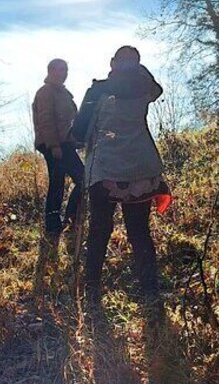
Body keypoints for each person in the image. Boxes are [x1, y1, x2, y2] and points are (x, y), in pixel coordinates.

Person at [71, 46, 171, 322]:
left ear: (112, 63)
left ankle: (91, 295)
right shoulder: (144, 88)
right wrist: (136, 70)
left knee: (100, 231)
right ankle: (151, 294)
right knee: (139, 232)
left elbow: (78, 133)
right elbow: (156, 88)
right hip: (141, 169)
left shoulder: (98, 90)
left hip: (105, 169)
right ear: (138, 65)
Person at [32, 58, 84, 287]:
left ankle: (65, 219)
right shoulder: (45, 92)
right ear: (50, 71)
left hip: (65, 143)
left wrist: (77, 140)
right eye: (59, 69)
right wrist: (53, 145)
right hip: (54, 144)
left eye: (66, 69)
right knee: (66, 181)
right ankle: (57, 222)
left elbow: (71, 120)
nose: (63, 73)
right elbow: (45, 120)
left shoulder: (64, 93)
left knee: (77, 180)